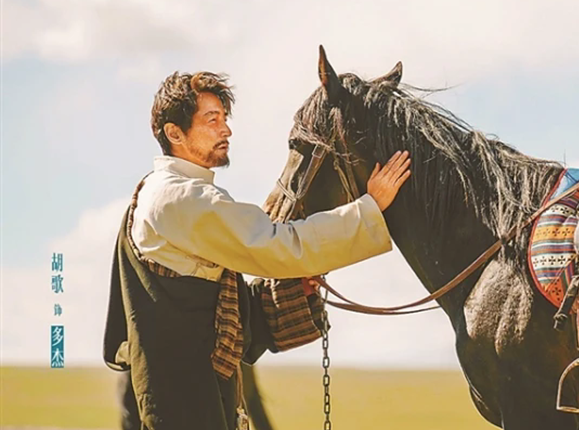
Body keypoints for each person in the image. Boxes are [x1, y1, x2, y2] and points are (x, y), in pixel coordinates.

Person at [103, 71, 410, 430]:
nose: (226, 130)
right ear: (174, 133)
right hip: (185, 407)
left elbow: (207, 309)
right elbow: (276, 245)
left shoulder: (164, 192)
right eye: (211, 119)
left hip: (190, 397)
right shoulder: (177, 197)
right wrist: (369, 209)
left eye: (224, 118)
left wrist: (293, 287)